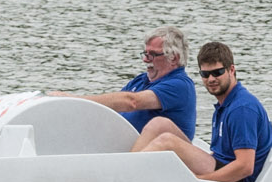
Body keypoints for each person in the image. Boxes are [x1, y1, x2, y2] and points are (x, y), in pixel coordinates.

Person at [133, 39, 272, 182]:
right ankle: (124, 169)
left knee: (166, 141)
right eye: (205, 74)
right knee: (160, 124)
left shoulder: (241, 109)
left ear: (231, 70)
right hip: (217, 164)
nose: (211, 79)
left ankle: (124, 178)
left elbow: (245, 168)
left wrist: (198, 181)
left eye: (217, 73)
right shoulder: (227, 103)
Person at [50, 27, 197, 141]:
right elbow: (111, 108)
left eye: (152, 54)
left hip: (157, 163)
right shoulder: (140, 81)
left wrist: (74, 99)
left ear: (173, 58)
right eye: (145, 54)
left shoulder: (180, 85)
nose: (145, 60)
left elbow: (131, 102)